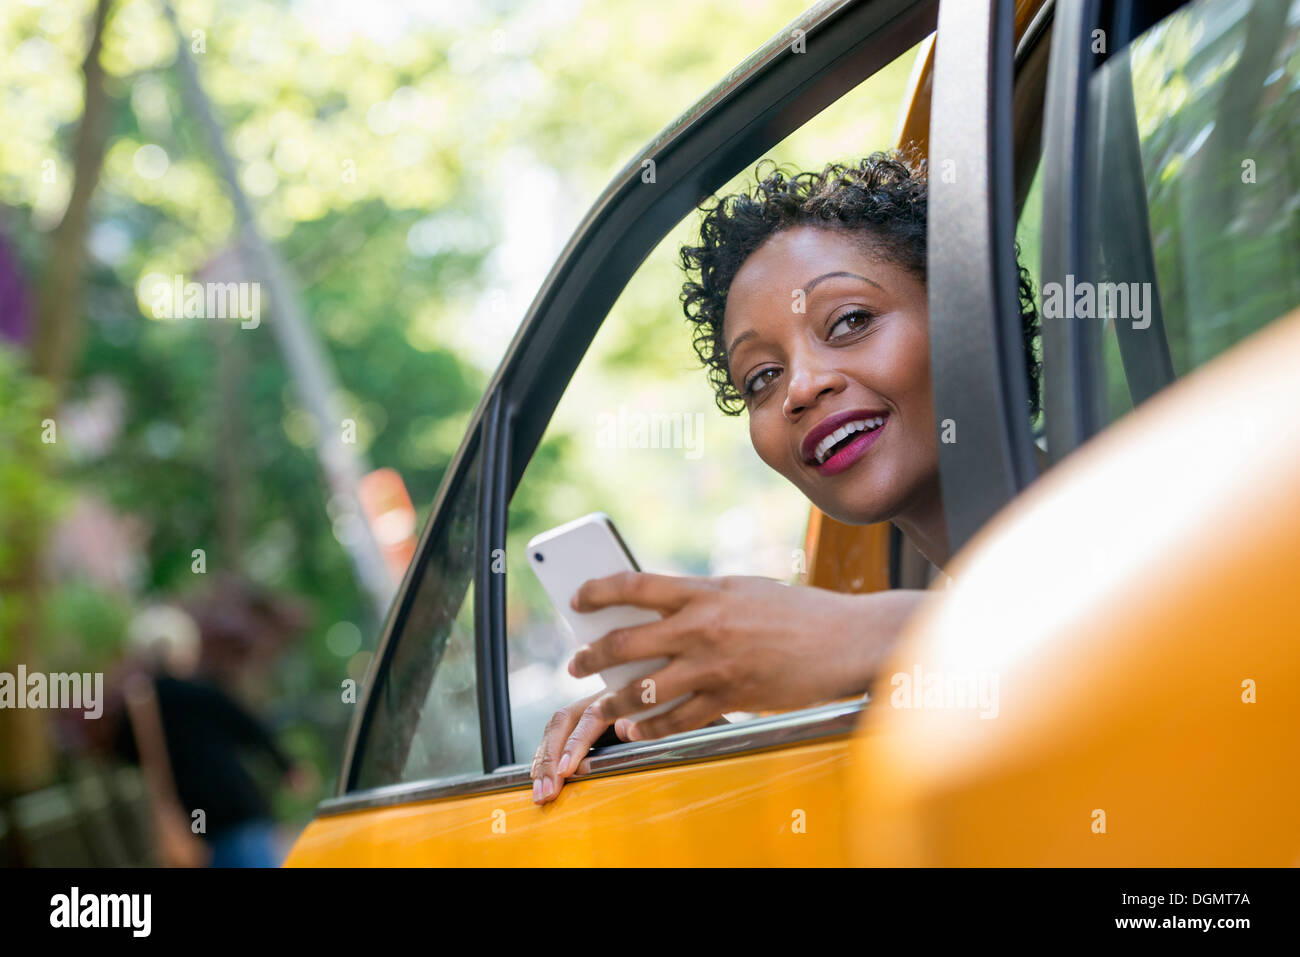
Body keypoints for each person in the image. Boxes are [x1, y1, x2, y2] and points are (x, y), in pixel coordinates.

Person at [530, 152, 1042, 804]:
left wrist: (863, 635)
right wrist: (695, 736)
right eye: (762, 377)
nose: (799, 387)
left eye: (850, 320)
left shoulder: (1155, 501)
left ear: (969, 312)